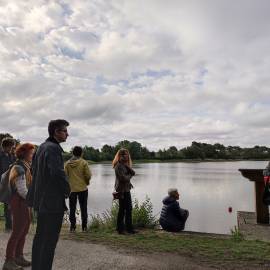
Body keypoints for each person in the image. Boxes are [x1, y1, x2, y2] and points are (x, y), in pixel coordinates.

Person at [27, 119, 71, 270]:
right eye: (65, 131)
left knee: (40, 238)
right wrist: (67, 189)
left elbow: (33, 171)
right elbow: (57, 173)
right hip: (51, 202)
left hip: (41, 201)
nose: (67, 134)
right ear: (56, 132)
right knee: (50, 240)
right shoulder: (53, 148)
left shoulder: (42, 147)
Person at [2, 143, 35, 270]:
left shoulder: (24, 166)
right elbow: (21, 190)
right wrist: (33, 200)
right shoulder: (19, 168)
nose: (32, 155)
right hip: (19, 201)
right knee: (17, 231)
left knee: (24, 229)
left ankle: (18, 256)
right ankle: (8, 261)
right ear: (24, 153)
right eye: (31, 153)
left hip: (23, 201)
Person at [65, 146, 91, 232]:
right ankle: (84, 227)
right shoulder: (84, 162)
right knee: (84, 208)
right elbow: (88, 175)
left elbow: (65, 177)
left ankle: (72, 227)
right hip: (83, 188)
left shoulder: (67, 164)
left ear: (73, 153)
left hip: (71, 189)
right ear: (81, 153)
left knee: (72, 208)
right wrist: (86, 182)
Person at [112, 148, 136, 234]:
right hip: (121, 190)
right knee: (123, 209)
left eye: (127, 154)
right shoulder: (118, 166)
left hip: (126, 189)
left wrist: (127, 167)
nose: (128, 156)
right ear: (121, 155)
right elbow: (123, 178)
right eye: (126, 154)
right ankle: (120, 229)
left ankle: (128, 228)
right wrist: (129, 175)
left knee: (128, 209)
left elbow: (133, 173)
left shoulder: (124, 165)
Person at [0, 137, 16, 231]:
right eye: (10, 147)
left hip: (9, 184)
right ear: (5, 146)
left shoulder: (12, 157)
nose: (11, 149)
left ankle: (9, 226)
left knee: (8, 204)